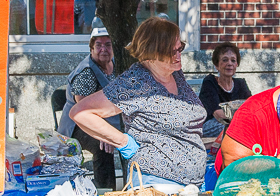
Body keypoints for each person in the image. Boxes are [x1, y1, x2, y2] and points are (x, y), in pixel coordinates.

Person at [70, 17, 207, 187]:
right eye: (172, 51)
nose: (179, 55)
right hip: (156, 182)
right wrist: (123, 142)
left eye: (180, 48)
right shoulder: (136, 82)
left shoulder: (174, 73)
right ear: (152, 52)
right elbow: (80, 112)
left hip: (192, 183)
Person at [58, 27, 119, 189]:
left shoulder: (114, 64)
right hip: (77, 126)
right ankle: (105, 189)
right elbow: (82, 111)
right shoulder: (86, 73)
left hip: (106, 119)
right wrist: (103, 133)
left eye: (108, 44)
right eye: (98, 45)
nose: (103, 49)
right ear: (91, 48)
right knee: (103, 145)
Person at [198, 42, 251, 137]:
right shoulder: (210, 82)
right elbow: (219, 115)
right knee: (229, 129)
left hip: (236, 125)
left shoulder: (240, 83)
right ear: (217, 65)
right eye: (225, 60)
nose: (229, 64)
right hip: (212, 125)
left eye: (233, 60)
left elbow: (251, 108)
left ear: (237, 64)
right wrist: (241, 117)